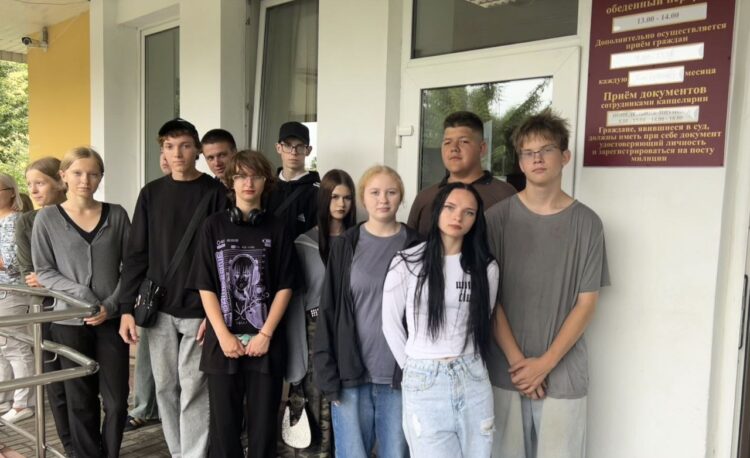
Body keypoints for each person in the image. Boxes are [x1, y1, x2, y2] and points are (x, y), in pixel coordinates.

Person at [486, 110, 610, 458]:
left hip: (564, 372)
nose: (537, 158)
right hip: (505, 370)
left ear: (565, 156)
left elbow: (586, 303)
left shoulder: (587, 223)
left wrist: (544, 365)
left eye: (546, 150)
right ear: (520, 162)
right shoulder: (495, 220)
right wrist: (520, 365)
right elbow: (490, 300)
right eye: (528, 152)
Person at [118, 118, 228, 458]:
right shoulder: (151, 193)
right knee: (165, 386)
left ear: (196, 150)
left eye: (184, 146)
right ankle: (179, 452)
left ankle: (193, 454)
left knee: (194, 385)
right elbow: (136, 253)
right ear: (162, 151)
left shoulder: (216, 194)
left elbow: (223, 256)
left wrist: (216, 312)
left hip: (199, 307)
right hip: (158, 306)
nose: (177, 153)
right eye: (169, 146)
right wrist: (126, 309)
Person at [189, 150, 297, 457]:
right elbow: (206, 286)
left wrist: (265, 334)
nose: (248, 183)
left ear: (265, 182)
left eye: (255, 176)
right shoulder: (213, 226)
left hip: (266, 346)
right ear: (230, 182)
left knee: (263, 432)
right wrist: (223, 335)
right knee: (224, 433)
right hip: (222, 346)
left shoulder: (278, 227)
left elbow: (286, 286)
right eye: (240, 176)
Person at [383, 182, 498, 457]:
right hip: (424, 379)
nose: (458, 217)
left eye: (469, 212)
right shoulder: (408, 262)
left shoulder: (486, 268)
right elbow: (390, 324)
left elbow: (483, 319)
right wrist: (414, 366)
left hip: (473, 376)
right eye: (450, 208)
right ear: (437, 211)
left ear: (476, 220)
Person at [313, 165, 420, 458]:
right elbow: (329, 311)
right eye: (375, 192)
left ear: (401, 197)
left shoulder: (418, 245)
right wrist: (327, 374)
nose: (383, 199)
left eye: (391, 192)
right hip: (351, 377)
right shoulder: (346, 245)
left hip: (400, 378)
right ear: (363, 198)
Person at [31, 147, 131, 457]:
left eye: (93, 174)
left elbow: (131, 266)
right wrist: (86, 297)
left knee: (116, 401)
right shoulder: (47, 218)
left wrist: (111, 305)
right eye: (77, 173)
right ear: (63, 176)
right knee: (80, 401)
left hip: (110, 320)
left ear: (101, 177)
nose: (85, 180)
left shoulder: (117, 214)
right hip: (68, 321)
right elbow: (44, 270)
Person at [280, 169, 357, 457]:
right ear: (324, 199)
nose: (341, 204)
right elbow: (296, 303)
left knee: (348, 404)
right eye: (334, 197)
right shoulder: (304, 243)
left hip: (351, 332)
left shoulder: (360, 241)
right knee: (315, 404)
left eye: (347, 198)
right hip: (313, 332)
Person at [14, 157, 73, 453]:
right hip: (46, 309)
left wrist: (50, 276)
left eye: (40, 183)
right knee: (55, 382)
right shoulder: (26, 221)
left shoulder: (78, 214)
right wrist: (63, 278)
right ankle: (68, 444)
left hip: (82, 310)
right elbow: (29, 273)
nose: (34, 191)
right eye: (30, 185)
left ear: (60, 181)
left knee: (83, 379)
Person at [407, 111, 516, 237]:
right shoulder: (425, 197)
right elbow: (410, 245)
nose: (454, 148)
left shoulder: (505, 195)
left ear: (482, 148)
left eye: (463, 142)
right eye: (447, 142)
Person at [0, 173, 35, 423]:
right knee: (2, 349)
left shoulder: (14, 221)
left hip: (12, 291)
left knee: (16, 347)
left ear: (11, 192)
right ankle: (5, 399)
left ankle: (24, 403)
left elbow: (13, 263)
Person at [266, 121, 320, 238]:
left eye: (300, 146)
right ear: (278, 148)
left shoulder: (318, 192)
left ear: (308, 150)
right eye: (287, 145)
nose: (293, 152)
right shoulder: (267, 187)